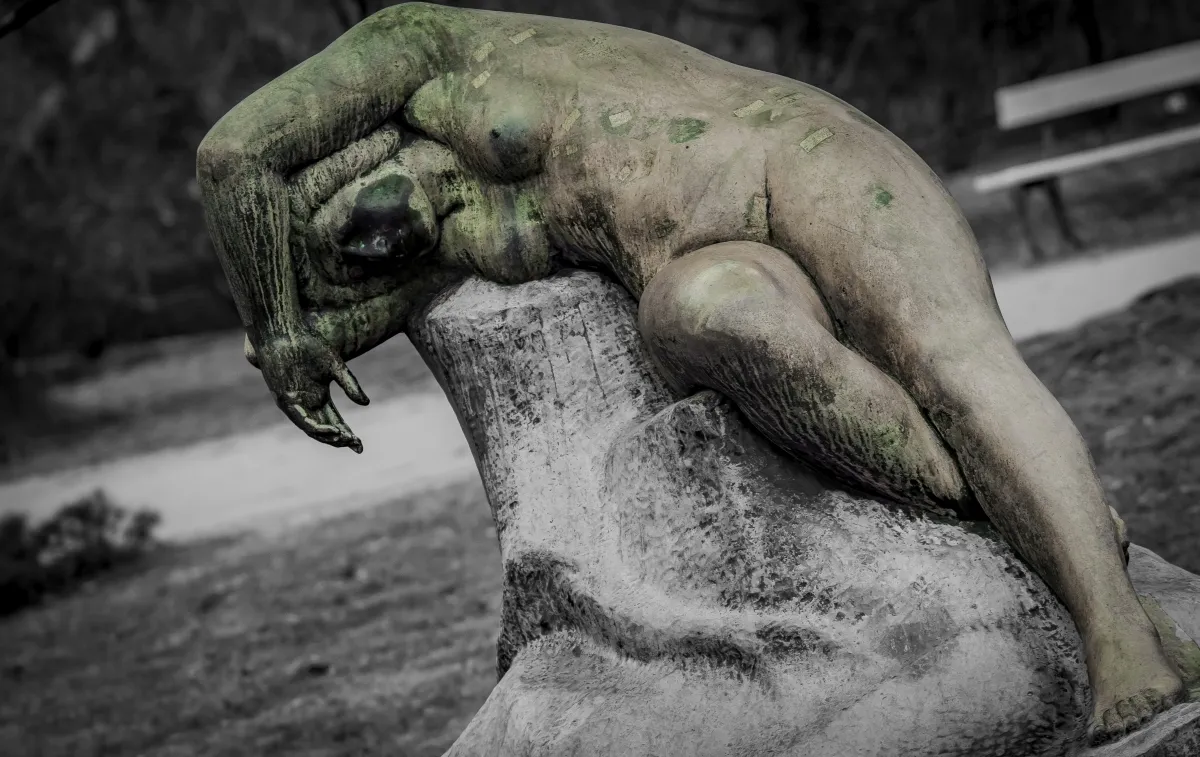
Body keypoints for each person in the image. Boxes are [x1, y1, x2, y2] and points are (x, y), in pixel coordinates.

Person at [196, 3, 1185, 744]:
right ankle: (1027, 512)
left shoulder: (421, 42)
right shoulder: (476, 216)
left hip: (790, 157)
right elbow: (364, 301)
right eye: (357, 247)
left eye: (345, 217)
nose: (370, 237)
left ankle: (1119, 637)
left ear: (344, 157)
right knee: (694, 316)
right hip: (708, 256)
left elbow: (231, 154)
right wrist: (306, 328)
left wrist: (276, 327)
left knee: (949, 362)